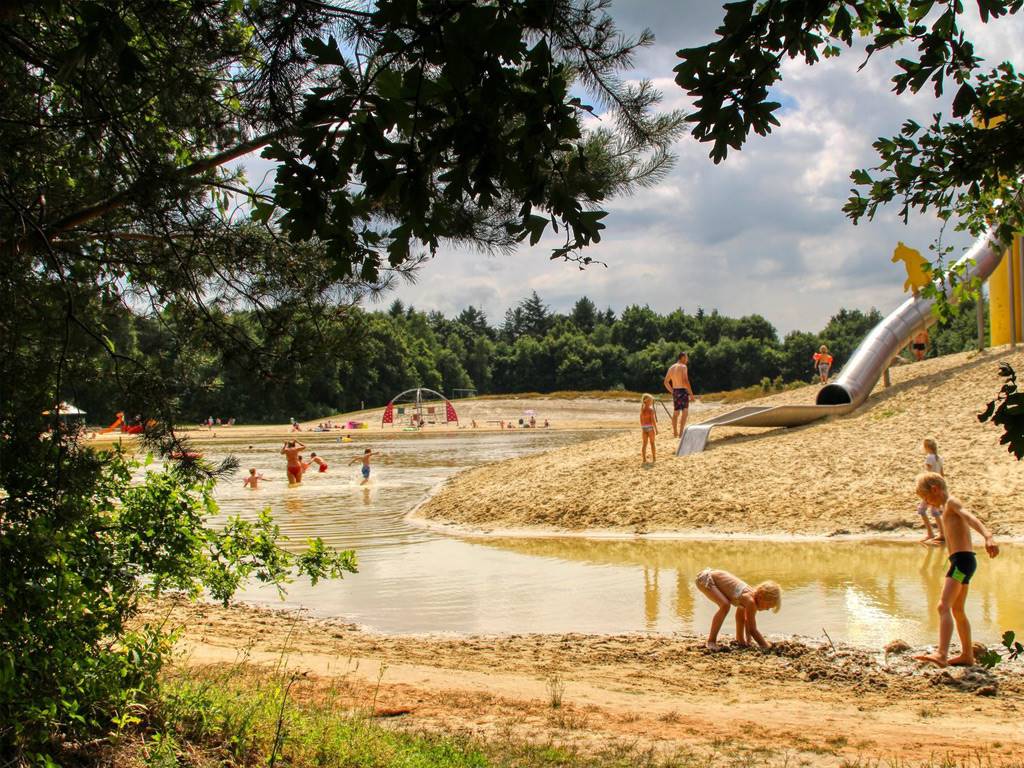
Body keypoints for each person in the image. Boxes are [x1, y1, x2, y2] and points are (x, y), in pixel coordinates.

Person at [912, 473, 999, 667]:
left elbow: (970, 518)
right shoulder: (944, 509)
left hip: (961, 562)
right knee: (957, 609)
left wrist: (988, 536)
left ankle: (941, 654)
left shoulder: (952, 503)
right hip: (961, 561)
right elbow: (954, 535)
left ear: (935, 489)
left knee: (943, 606)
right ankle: (967, 655)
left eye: (926, 498)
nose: (927, 503)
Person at [695, 568, 781, 650]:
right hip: (706, 579)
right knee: (725, 605)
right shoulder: (750, 601)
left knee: (727, 606)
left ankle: (739, 639)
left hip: (709, 577)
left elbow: (742, 619)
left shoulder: (749, 598)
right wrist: (764, 645)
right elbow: (753, 629)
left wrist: (746, 640)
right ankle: (711, 641)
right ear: (761, 595)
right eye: (768, 606)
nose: (767, 609)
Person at [917, 438, 945, 543]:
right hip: (939, 486)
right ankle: (941, 533)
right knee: (935, 510)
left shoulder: (929, 458)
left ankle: (932, 533)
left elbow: (928, 474)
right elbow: (942, 474)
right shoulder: (940, 458)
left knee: (922, 509)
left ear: (927, 447)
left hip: (930, 487)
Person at [663, 352, 694, 438]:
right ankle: (681, 433)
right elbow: (685, 381)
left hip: (676, 390)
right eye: (686, 358)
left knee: (676, 412)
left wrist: (672, 391)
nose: (687, 360)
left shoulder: (672, 367)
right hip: (683, 390)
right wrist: (691, 394)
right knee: (685, 412)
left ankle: (675, 432)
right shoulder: (683, 367)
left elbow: (665, 382)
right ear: (683, 357)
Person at [640, 393, 658, 464]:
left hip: (644, 428)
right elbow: (653, 420)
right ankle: (654, 458)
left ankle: (644, 459)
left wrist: (642, 427)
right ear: (647, 401)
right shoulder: (651, 410)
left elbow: (641, 420)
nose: (652, 402)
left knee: (644, 444)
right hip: (650, 427)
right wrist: (656, 429)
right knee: (652, 443)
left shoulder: (642, 409)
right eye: (651, 401)